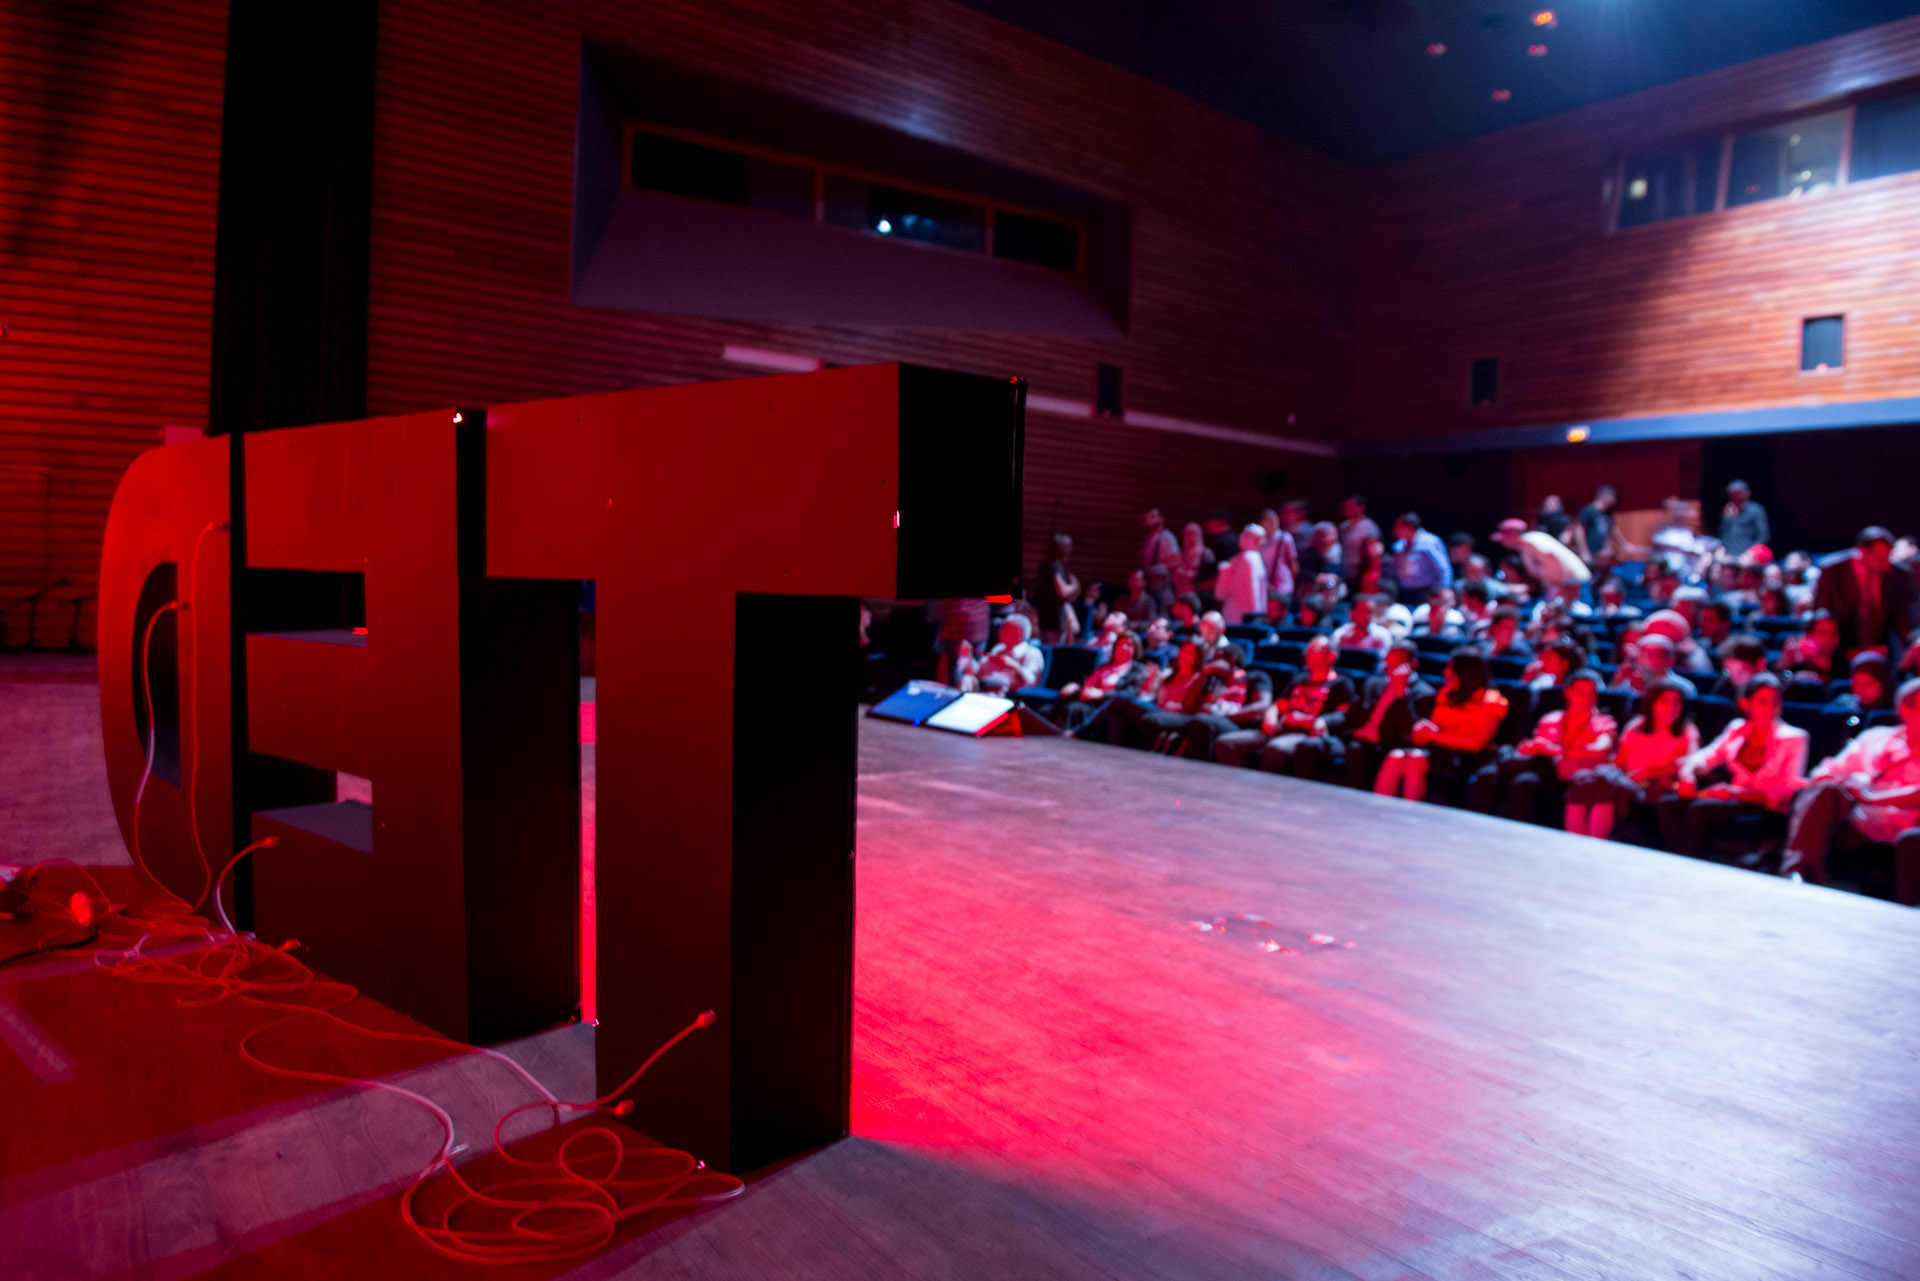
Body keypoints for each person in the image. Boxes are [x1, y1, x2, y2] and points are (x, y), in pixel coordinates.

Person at [1780, 677, 1920, 883]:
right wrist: (1835, 778)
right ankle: (1798, 874)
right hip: (1852, 818)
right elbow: (1830, 768)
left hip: (1897, 824)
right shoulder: (1875, 736)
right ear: (1904, 710)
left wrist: (1869, 797)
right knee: (1825, 790)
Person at [1660, 673, 1808, 858]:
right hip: (1734, 798)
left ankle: (1684, 861)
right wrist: (1688, 773)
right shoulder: (1737, 728)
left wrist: (1733, 793)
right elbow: (1707, 756)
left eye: (1775, 702)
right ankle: (1671, 859)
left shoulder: (1794, 737)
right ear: (1746, 704)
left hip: (1764, 804)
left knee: (1701, 809)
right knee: (1669, 803)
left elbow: (1786, 789)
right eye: (1763, 702)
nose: (1771, 708)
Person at [1471, 668, 1616, 823]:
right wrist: (1530, 748)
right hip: (1540, 767)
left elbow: (1600, 751)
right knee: (1487, 775)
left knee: (1525, 783)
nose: (1587, 699)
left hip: (1567, 777)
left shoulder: (1603, 722)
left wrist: (1555, 751)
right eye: (1581, 693)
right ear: (1568, 692)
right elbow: (1536, 748)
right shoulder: (1551, 719)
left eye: (1592, 694)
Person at [1564, 679, 1699, 840]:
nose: (1671, 708)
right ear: (1652, 703)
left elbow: (1690, 762)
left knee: (1606, 784)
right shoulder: (1636, 725)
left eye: (1677, 703)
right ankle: (1575, 840)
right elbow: (1619, 762)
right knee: (1583, 779)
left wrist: (1646, 773)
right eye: (1665, 702)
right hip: (1624, 779)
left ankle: (1594, 843)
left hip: (1652, 785)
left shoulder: (1687, 730)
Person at [1374, 648, 1508, 803]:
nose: (1445, 673)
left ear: (1466, 672)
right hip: (1439, 751)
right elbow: (1434, 728)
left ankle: (1409, 814)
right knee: (1396, 756)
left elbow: (1477, 744)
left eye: (1450, 668)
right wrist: (1425, 729)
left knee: (1415, 760)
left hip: (1466, 758)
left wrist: (1437, 736)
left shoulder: (1492, 701)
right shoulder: (1445, 695)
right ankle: (1377, 811)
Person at [1332, 641, 1434, 788]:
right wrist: (1323, 721)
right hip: (1358, 738)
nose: (1389, 670)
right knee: (1352, 748)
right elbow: (1350, 714)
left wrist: (1401, 694)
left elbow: (1410, 734)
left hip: (1388, 747)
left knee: (1359, 751)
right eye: (1387, 664)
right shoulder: (1373, 683)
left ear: (1413, 664)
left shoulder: (1424, 694)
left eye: (1395, 665)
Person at [1811, 526, 1918, 658]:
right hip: (1841, 638)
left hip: (1884, 642)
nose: (1886, 563)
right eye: (1879, 557)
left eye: (1887, 556)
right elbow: (1821, 607)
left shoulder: (1898, 573)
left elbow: (1908, 610)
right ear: (1862, 552)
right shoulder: (1833, 570)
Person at [1055, 631, 1148, 731]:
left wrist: (1102, 694)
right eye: (1120, 644)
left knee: (1075, 709)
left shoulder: (1137, 670)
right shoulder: (1104, 666)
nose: (1124, 648)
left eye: (1129, 645)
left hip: (1107, 706)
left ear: (1135, 650)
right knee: (1054, 706)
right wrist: (1076, 686)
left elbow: (1129, 694)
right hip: (1088, 700)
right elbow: (1088, 683)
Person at [1492, 517, 1591, 593]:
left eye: (1504, 538)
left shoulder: (1532, 541)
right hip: (1568, 585)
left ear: (1513, 534)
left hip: (1574, 586)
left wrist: (1557, 587)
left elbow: (1553, 560)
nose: (1502, 542)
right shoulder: (1525, 545)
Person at [956, 613, 1044, 694]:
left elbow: (1032, 681)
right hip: (984, 685)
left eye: (1006, 629)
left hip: (1006, 693)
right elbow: (979, 671)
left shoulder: (1032, 653)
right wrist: (967, 655)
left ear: (1018, 633)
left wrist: (1015, 666)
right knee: (966, 679)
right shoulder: (999, 648)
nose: (1000, 631)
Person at [1611, 631, 1696, 698]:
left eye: (1656, 655)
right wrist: (1617, 680)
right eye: (1644, 655)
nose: (1649, 660)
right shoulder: (1628, 684)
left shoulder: (1685, 688)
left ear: (1670, 660)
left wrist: (1643, 690)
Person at [1032, 533, 1082, 643]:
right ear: (1061, 548)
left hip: (1045, 616)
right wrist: (1075, 585)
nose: (1071, 549)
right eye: (1069, 546)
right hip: (1053, 617)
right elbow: (1062, 591)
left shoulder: (1044, 566)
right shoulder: (1054, 566)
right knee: (1053, 649)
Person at [1387, 512, 1451, 596]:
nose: (1395, 530)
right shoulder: (1399, 546)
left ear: (1409, 527)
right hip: (1404, 592)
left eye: (1398, 527)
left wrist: (1444, 590)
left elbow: (1443, 569)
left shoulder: (1429, 543)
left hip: (1426, 592)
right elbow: (1394, 570)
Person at [1216, 523, 1269, 625]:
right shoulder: (1243, 559)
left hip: (1244, 618)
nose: (1242, 537)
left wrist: (1255, 618)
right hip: (1237, 616)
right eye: (1244, 534)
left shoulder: (1249, 558)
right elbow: (1220, 593)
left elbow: (1253, 592)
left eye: (1247, 535)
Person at [1775, 610, 1843, 685]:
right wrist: (1784, 663)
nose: (1828, 638)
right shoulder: (1796, 664)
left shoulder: (1845, 666)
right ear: (1808, 635)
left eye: (1833, 633)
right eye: (1822, 633)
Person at [1705, 635, 1770, 701]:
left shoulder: (1771, 692)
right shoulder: (1725, 683)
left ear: (1760, 665)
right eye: (1726, 669)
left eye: (1741, 671)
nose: (1730, 675)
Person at [1257, 508, 1298, 605]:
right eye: (1270, 522)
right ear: (1262, 523)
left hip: (1283, 585)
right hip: (1263, 585)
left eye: (1276, 522)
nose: (1274, 525)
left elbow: (1293, 564)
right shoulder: (1258, 539)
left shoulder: (1285, 538)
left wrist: (1292, 582)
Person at [1718, 480, 1770, 558]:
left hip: (1748, 554)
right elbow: (1723, 534)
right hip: (1728, 553)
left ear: (1747, 493)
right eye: (1732, 494)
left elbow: (1763, 536)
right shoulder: (1728, 510)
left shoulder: (1756, 510)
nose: (1735, 497)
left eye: (1738, 493)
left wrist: (1751, 553)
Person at [1338, 495, 1381, 586]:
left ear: (1361, 507)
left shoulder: (1370, 527)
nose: (1348, 509)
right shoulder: (1343, 527)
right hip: (1344, 571)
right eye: (1346, 507)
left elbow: (1374, 553)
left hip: (1362, 572)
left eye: (1351, 506)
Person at [1172, 522, 1215, 601]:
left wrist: (1185, 574)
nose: (1189, 538)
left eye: (1192, 534)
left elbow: (1209, 578)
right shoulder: (1180, 554)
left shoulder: (1205, 554)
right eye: (1186, 535)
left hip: (1198, 595)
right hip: (1180, 593)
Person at [1139, 507, 1181, 578]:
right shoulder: (1149, 539)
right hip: (1149, 581)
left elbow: (1176, 560)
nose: (1148, 520)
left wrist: (1162, 568)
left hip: (1163, 582)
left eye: (1152, 517)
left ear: (1161, 519)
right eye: (1147, 518)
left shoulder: (1167, 537)